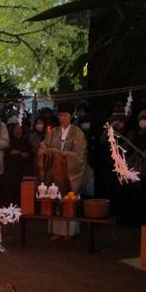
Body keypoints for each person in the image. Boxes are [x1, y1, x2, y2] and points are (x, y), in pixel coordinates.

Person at [39, 101, 93, 238]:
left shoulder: (77, 132)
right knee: (56, 199)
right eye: (60, 115)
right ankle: (57, 231)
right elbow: (44, 143)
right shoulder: (54, 132)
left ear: (71, 116)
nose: (62, 118)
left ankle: (70, 231)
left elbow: (80, 153)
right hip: (55, 169)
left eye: (65, 115)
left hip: (70, 170)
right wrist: (44, 149)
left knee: (69, 200)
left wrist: (65, 154)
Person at [3, 120, 32, 206]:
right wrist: (20, 154)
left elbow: (28, 155)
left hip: (22, 172)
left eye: (20, 129)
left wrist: (17, 154)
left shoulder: (26, 142)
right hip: (9, 172)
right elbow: (8, 155)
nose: (18, 131)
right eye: (16, 129)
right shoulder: (8, 141)